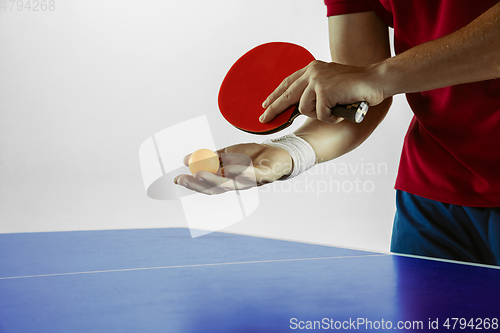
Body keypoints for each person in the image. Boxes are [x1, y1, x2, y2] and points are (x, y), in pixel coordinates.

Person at [174, 0, 500, 265]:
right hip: (432, 194)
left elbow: (372, 79)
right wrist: (290, 151)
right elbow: (360, 96)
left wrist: (377, 76)